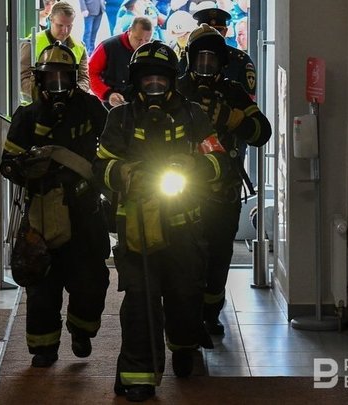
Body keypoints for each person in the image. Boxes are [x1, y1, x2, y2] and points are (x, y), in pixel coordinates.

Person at [93, 41, 229, 402]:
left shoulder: (193, 115)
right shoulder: (120, 118)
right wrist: (123, 174)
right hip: (135, 225)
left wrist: (195, 166)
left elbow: (220, 162)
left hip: (185, 226)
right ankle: (139, 375)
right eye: (147, 81)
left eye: (160, 81)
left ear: (171, 81)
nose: (154, 87)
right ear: (136, 82)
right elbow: (100, 166)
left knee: (185, 295)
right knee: (140, 300)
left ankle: (184, 346)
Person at [1, 41, 111, 368]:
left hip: (85, 211)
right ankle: (43, 348)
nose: (59, 85)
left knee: (91, 280)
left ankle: (81, 330)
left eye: (64, 77)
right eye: (52, 79)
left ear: (73, 77)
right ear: (40, 80)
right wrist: (27, 169)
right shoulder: (28, 115)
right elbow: (7, 164)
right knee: (41, 286)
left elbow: (110, 151)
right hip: (42, 213)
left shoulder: (91, 108)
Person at [177, 24, 271, 335]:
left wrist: (234, 118)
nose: (206, 67)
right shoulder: (175, 91)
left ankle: (210, 313)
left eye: (212, 61)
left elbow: (262, 133)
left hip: (223, 192)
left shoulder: (234, 93)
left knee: (218, 257)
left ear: (222, 63)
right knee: (183, 255)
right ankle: (183, 316)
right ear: (190, 59)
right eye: (200, 59)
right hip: (179, 190)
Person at [20, 1, 90, 103]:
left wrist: (73, 94)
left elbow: (84, 78)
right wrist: (41, 95)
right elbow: (22, 77)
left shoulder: (79, 46)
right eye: (60, 25)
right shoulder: (31, 43)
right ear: (50, 20)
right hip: (35, 106)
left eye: (69, 26)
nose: (65, 30)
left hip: (68, 106)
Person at [179, 7, 257, 99]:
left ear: (225, 32)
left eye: (218, 31)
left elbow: (247, 100)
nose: (212, 36)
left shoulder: (240, 60)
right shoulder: (188, 57)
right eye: (207, 32)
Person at [88, 16, 153, 109]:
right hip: (111, 103)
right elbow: (90, 73)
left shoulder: (152, 49)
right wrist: (107, 94)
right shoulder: (108, 47)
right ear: (130, 31)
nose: (142, 44)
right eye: (138, 39)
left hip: (140, 103)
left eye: (147, 40)